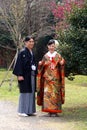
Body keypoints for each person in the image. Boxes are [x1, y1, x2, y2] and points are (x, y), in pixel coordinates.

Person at [37, 39, 65, 117]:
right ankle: (49, 111)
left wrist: (62, 63)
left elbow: (61, 64)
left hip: (56, 78)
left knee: (55, 94)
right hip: (47, 78)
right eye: (50, 46)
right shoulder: (45, 56)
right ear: (48, 46)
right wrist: (40, 64)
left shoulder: (58, 55)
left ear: (55, 47)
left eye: (53, 46)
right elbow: (42, 66)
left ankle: (55, 111)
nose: (51, 47)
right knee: (47, 94)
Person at [13, 36, 37, 117]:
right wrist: (19, 75)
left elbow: (33, 63)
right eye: (29, 41)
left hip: (31, 75)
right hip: (24, 75)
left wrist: (34, 67)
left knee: (31, 92)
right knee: (24, 92)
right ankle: (22, 110)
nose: (31, 43)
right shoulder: (22, 52)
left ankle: (30, 110)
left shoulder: (31, 52)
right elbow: (19, 64)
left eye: (32, 41)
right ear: (25, 43)